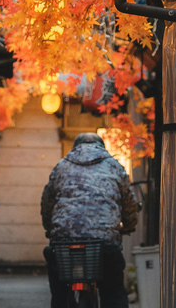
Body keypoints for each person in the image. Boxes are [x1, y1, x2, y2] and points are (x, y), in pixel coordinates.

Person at [40, 132, 139, 308]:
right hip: (104, 241)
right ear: (102, 146)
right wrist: (130, 224)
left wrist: (49, 227)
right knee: (113, 290)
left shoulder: (61, 166)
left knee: (60, 291)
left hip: (64, 240)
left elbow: (47, 202)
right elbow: (128, 202)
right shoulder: (114, 166)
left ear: (75, 147)